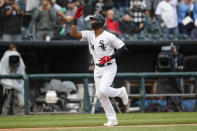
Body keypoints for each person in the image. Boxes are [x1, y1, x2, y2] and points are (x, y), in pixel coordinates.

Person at [71, 7, 129, 127]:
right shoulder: (89, 34)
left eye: (93, 20)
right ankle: (112, 119)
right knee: (100, 95)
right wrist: (75, 19)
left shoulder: (109, 36)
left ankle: (121, 91)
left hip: (109, 66)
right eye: (91, 20)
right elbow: (73, 33)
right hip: (97, 68)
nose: (91, 22)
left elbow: (124, 48)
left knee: (103, 90)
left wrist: (110, 57)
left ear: (99, 22)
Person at [0, 44, 26, 115]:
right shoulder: (7, 55)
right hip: (7, 81)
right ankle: (5, 112)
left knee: (19, 102)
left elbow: (21, 67)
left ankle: (19, 112)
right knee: (6, 102)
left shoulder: (16, 55)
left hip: (14, 81)